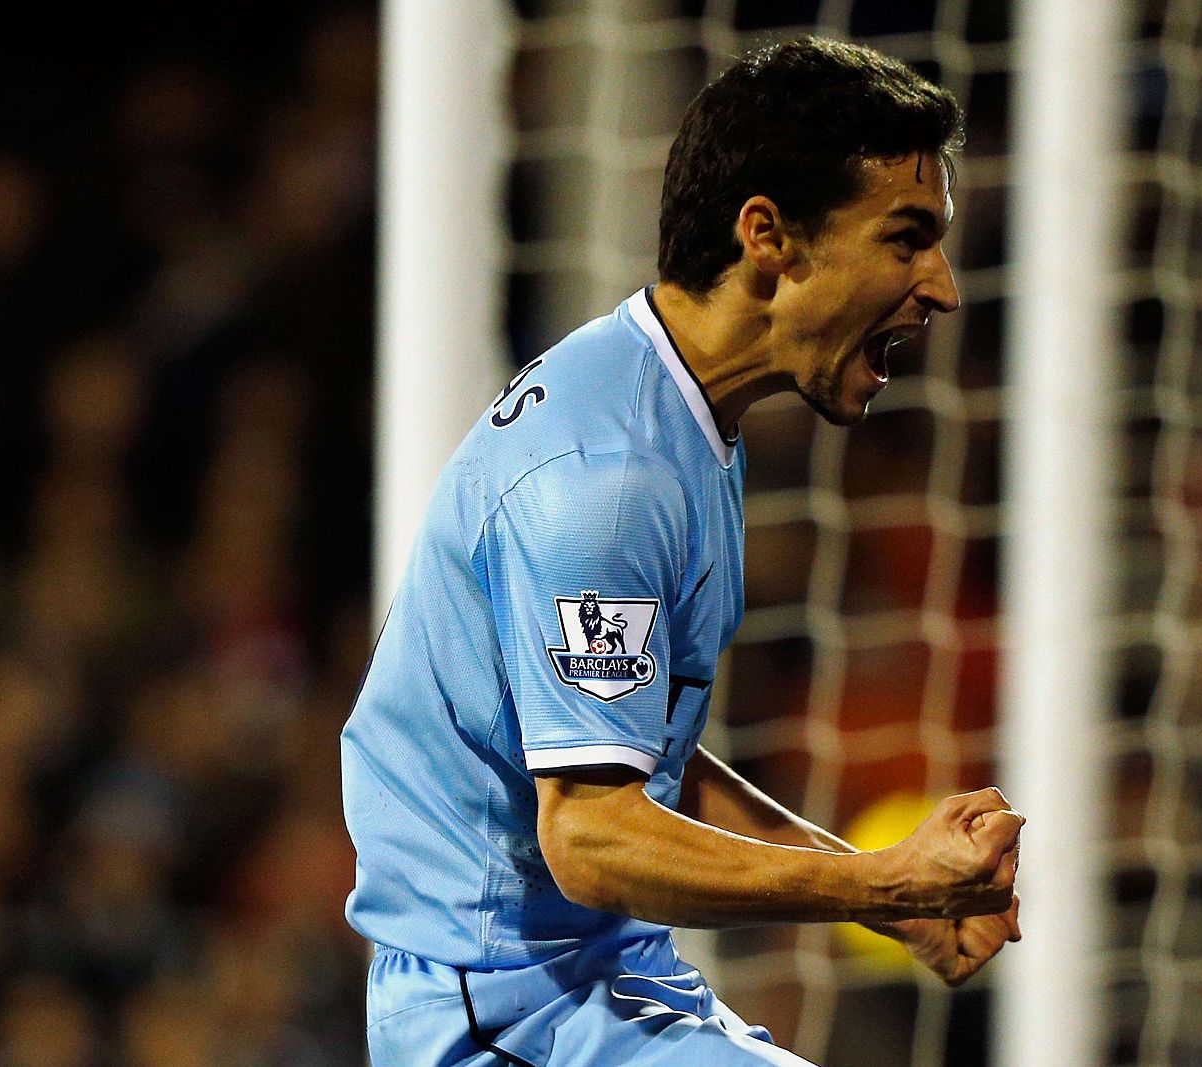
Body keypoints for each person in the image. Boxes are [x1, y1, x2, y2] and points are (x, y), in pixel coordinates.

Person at [341, 36, 1023, 1067]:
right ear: (769, 238)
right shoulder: (606, 479)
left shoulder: (666, 408)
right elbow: (592, 836)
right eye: (905, 238)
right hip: (504, 1011)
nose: (940, 286)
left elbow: (630, 757)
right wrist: (881, 880)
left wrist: (891, 898)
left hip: (594, 981)